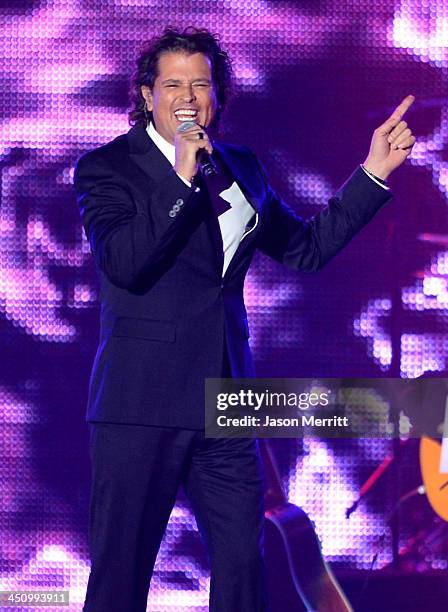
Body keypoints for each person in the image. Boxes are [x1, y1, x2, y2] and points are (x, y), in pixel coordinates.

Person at [73, 26, 415, 612]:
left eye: (200, 84)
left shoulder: (241, 167)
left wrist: (373, 173)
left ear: (217, 96)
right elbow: (126, 264)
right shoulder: (107, 169)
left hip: (226, 403)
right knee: (120, 576)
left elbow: (306, 249)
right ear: (146, 95)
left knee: (242, 570)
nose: (187, 97)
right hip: (141, 405)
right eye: (172, 84)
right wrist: (181, 176)